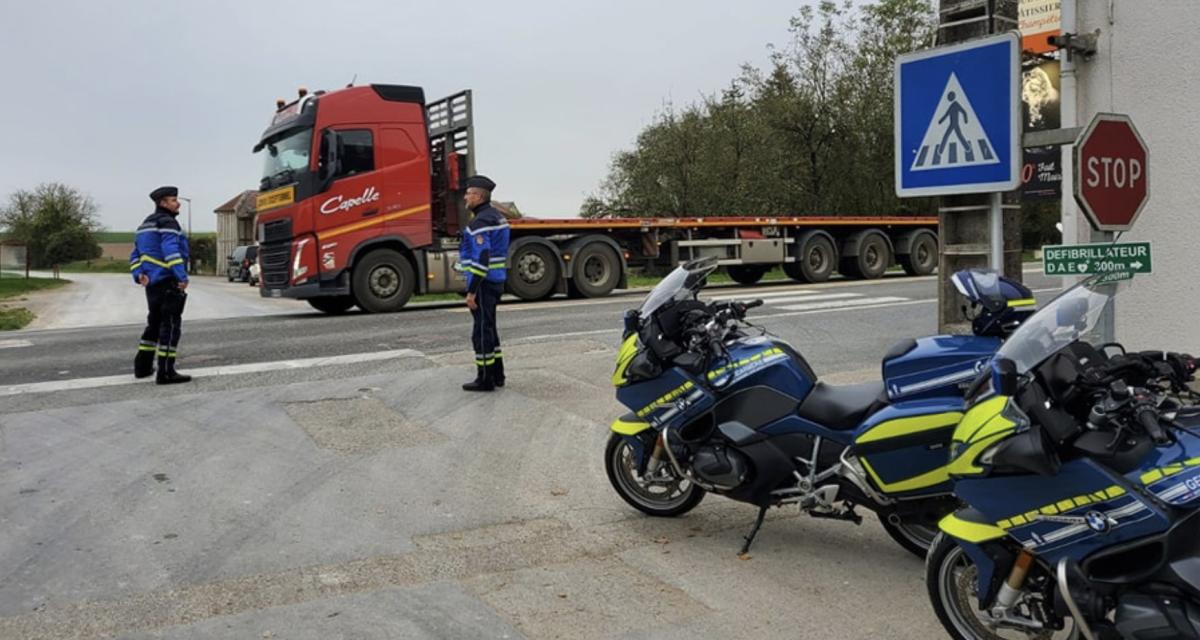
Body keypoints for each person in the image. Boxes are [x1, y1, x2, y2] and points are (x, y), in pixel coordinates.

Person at [129, 186, 192, 384]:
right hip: (168, 280)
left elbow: (135, 255)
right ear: (163, 203)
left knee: (154, 325)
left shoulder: (144, 225)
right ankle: (166, 372)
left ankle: (143, 367)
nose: (178, 203)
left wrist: (139, 274)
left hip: (152, 284)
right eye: (173, 200)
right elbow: (171, 251)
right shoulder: (168, 223)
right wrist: (181, 276)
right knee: (171, 327)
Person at [459, 175, 510, 392]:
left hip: (483, 283)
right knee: (490, 329)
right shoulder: (497, 217)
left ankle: (485, 379)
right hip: (496, 280)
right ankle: (498, 374)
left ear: (479, 196)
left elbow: (482, 257)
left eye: (469, 193)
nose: (465, 197)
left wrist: (471, 292)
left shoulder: (480, 222)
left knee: (480, 332)